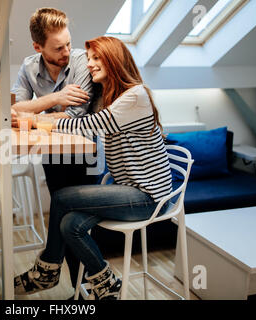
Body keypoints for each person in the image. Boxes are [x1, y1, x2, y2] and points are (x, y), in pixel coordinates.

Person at [13, 36, 173, 300]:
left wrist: (39, 122)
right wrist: (43, 116)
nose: (89, 65)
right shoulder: (110, 96)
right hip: (125, 190)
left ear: (114, 59)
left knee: (62, 197)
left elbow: (90, 124)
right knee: (70, 224)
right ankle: (106, 283)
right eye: (88, 59)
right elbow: (80, 117)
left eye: (97, 58)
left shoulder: (136, 96)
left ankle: (47, 270)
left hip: (147, 197)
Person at [11, 7, 99, 290]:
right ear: (38, 47)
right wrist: (57, 98)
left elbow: (75, 119)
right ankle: (78, 291)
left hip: (87, 155)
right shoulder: (28, 66)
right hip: (53, 154)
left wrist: (33, 116)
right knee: (64, 218)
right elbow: (13, 109)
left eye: (68, 44)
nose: (66, 52)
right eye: (58, 48)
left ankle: (63, 279)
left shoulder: (83, 63)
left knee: (74, 223)